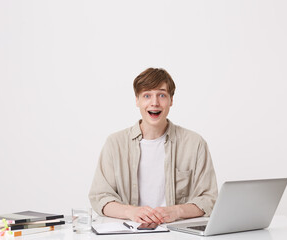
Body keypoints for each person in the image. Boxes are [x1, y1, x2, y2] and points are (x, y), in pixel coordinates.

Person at [89, 68, 218, 224]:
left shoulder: (195, 143)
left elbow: (209, 199)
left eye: (162, 95)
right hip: (128, 233)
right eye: (147, 95)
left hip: (177, 233)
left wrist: (177, 211)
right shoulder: (115, 143)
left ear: (171, 100)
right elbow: (100, 197)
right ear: (137, 100)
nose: (155, 103)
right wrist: (131, 212)